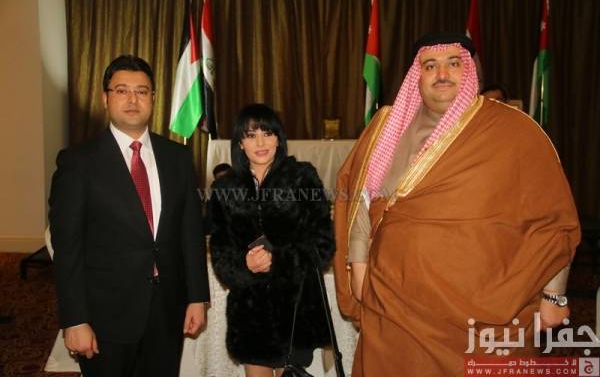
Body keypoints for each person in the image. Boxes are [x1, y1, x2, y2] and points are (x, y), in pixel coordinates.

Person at [333, 33, 580, 376]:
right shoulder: (386, 127)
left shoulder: (513, 131)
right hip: (393, 306)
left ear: (470, 70)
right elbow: (360, 197)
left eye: (453, 64)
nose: (442, 74)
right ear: (416, 75)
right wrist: (359, 268)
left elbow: (553, 220)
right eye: (430, 66)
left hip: (484, 312)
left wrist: (554, 297)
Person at [48, 55, 210, 377]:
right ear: (105, 98)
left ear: (153, 98)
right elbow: (67, 248)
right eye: (122, 90)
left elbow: (190, 233)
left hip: (166, 312)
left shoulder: (178, 157)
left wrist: (197, 297)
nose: (132, 99)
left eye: (142, 91)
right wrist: (75, 319)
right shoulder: (78, 163)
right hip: (105, 317)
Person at [209, 104, 334, 377]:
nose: (260, 142)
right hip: (251, 314)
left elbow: (323, 245)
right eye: (251, 135)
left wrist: (278, 260)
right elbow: (220, 253)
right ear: (240, 143)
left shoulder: (302, 178)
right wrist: (245, 265)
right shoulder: (225, 189)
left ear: (279, 138)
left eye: (267, 133)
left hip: (295, 309)